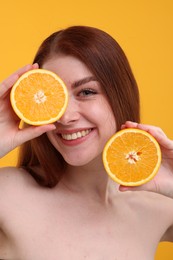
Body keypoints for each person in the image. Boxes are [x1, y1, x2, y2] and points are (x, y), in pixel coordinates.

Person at [0, 25, 173, 260]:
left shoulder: (158, 205)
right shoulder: (8, 193)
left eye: (87, 92)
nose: (65, 116)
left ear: (119, 95)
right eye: (54, 98)